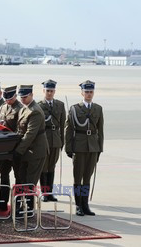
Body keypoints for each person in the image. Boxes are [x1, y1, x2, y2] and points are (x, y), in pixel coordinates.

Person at [65, 80, 103, 216]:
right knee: (78, 178)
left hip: (93, 147)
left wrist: (100, 149)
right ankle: (78, 205)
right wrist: (69, 148)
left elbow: (100, 131)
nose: (88, 94)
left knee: (87, 178)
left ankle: (85, 205)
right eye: (86, 92)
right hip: (79, 146)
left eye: (91, 92)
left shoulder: (98, 109)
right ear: (82, 92)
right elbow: (68, 130)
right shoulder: (75, 109)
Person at [13, 85, 49, 216]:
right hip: (27, 151)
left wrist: (18, 150)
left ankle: (29, 208)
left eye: (25, 97)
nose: (22, 99)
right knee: (22, 178)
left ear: (31, 95)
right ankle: (23, 206)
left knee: (30, 181)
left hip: (35, 152)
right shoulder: (25, 109)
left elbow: (30, 134)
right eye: (21, 97)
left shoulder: (35, 111)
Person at [38, 79, 65, 202]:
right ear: (44, 91)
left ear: (54, 91)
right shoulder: (39, 105)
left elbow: (62, 124)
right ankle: (44, 193)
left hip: (55, 140)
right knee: (44, 167)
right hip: (44, 140)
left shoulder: (60, 105)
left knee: (52, 167)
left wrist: (62, 142)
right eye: (47, 91)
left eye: (52, 91)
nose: (49, 93)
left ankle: (50, 193)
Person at [0, 86, 23, 210]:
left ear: (15, 96)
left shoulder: (20, 109)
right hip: (4, 148)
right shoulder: (2, 108)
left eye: (10, 98)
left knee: (19, 176)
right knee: (3, 175)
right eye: (6, 98)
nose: (7, 101)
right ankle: (3, 201)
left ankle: (18, 204)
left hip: (16, 148)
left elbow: (21, 129)